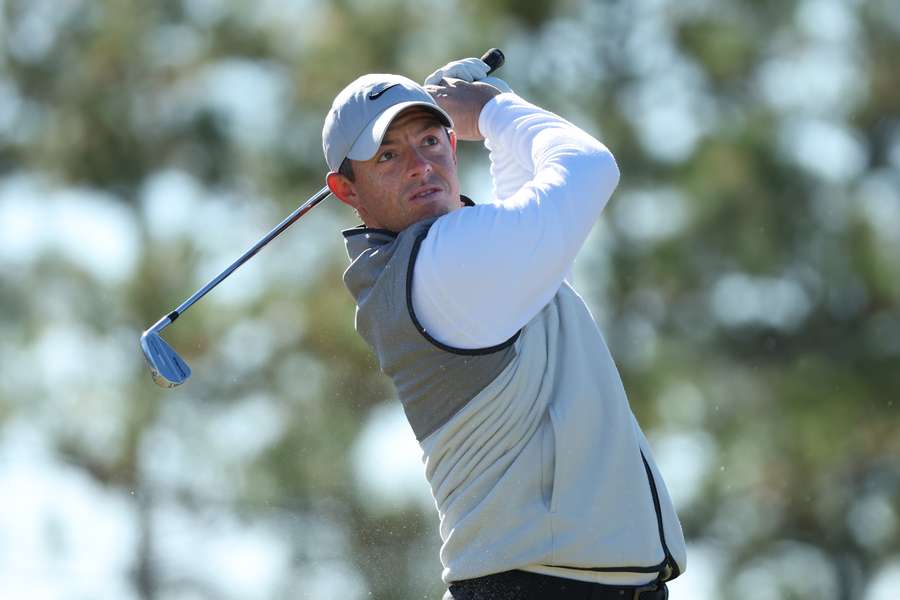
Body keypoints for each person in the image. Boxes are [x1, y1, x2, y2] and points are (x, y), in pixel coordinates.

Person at [322, 56, 686, 600]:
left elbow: (528, 230)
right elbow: (590, 166)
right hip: (540, 588)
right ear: (347, 190)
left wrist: (497, 118)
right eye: (389, 155)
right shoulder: (438, 265)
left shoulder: (436, 264)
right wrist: (493, 110)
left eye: (431, 140)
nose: (421, 166)